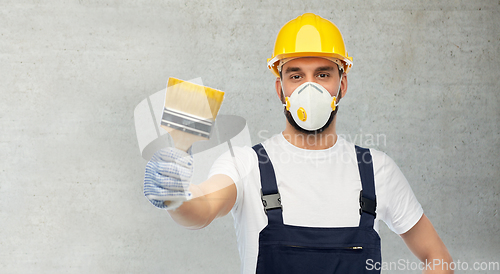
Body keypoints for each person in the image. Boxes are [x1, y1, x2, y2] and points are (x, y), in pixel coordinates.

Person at [144, 13, 453, 274]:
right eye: (295, 76)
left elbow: (439, 259)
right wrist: (176, 195)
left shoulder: (376, 171)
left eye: (322, 74)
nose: (310, 87)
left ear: (341, 84)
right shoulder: (247, 164)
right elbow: (201, 209)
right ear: (280, 88)